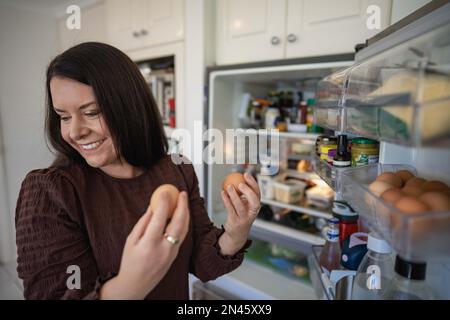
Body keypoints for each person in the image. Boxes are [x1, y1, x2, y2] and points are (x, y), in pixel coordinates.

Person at [15, 42, 261, 299]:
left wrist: (236, 231)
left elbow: (199, 261)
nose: (74, 132)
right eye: (64, 117)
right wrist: (132, 283)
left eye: (91, 112)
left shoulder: (178, 170)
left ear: (130, 106)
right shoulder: (50, 192)